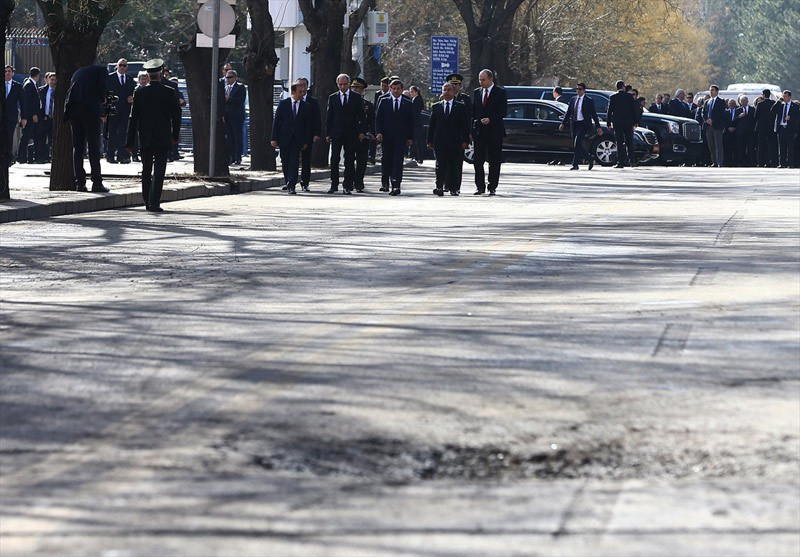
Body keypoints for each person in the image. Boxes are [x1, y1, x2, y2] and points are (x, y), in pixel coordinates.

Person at [125, 59, 181, 212]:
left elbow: (133, 118)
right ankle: (154, 201)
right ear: (161, 74)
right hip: (163, 137)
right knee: (159, 170)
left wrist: (129, 141)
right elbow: (177, 115)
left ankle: (147, 201)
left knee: (146, 169)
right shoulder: (169, 92)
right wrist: (175, 135)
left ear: (148, 76)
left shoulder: (140, 92)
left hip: (145, 137)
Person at [64, 64, 110, 192]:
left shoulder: (78, 71)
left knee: (78, 148)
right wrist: (103, 100)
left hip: (73, 108)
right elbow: (102, 89)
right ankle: (96, 182)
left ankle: (80, 183)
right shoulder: (102, 70)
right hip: (89, 109)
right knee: (94, 146)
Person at [427, 82, 470, 196]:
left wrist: (466, 141)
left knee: (453, 165)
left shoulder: (460, 106)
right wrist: (429, 140)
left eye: (448, 90)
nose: (446, 92)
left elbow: (465, 125)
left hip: (455, 142)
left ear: (453, 92)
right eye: (444, 90)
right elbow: (432, 125)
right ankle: (439, 186)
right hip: (440, 141)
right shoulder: (436, 107)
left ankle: (454, 188)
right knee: (440, 165)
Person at [325, 73, 365, 194]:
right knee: (334, 158)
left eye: (345, 84)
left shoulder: (356, 97)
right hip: (336, 133)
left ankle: (347, 184)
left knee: (349, 160)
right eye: (340, 84)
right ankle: (334, 183)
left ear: (349, 84)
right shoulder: (333, 97)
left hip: (351, 133)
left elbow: (362, 116)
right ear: (337, 84)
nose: (342, 87)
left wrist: (362, 131)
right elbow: (329, 116)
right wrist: (328, 133)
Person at [271, 82, 313, 195]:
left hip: (297, 139)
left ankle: (292, 185)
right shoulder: (284, 104)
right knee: (285, 161)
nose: (302, 94)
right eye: (300, 92)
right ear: (293, 92)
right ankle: (288, 181)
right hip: (284, 138)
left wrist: (306, 141)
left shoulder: (306, 106)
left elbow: (308, 126)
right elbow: (277, 122)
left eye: (304, 92)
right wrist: (274, 138)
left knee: (294, 161)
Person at [375, 78, 414, 196]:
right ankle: (385, 183)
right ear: (390, 89)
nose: (396, 91)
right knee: (387, 160)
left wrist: (410, 137)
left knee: (398, 161)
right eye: (393, 88)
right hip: (387, 136)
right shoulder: (383, 100)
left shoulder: (407, 103)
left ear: (402, 90)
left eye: (398, 89)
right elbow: (378, 119)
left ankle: (396, 184)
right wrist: (379, 132)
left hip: (401, 137)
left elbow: (411, 122)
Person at [471, 69, 507, 195]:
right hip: (480, 131)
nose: (481, 82)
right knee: (478, 160)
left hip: (494, 131)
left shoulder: (500, 92)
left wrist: (491, 119)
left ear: (490, 79)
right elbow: (474, 112)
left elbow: (503, 111)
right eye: (480, 80)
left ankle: (492, 186)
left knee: (494, 160)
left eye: (483, 79)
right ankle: (480, 186)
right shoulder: (477, 92)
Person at [560, 82, 602, 170]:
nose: (578, 91)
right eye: (577, 89)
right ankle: (589, 159)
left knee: (577, 142)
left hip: (583, 124)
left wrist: (598, 127)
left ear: (584, 90)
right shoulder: (573, 99)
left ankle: (575, 164)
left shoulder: (588, 100)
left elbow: (593, 114)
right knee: (576, 145)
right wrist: (563, 123)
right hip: (574, 123)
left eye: (580, 89)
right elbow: (568, 113)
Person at [105, 59, 135, 164]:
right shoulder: (110, 78)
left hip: (125, 110)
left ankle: (121, 156)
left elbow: (133, 91)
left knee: (122, 134)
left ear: (127, 67)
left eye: (124, 65)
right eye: (120, 65)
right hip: (113, 110)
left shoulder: (130, 79)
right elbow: (105, 94)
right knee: (112, 133)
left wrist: (131, 97)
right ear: (117, 66)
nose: (122, 67)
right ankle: (110, 155)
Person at [295, 77, 321, 192]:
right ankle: (291, 181)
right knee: (293, 159)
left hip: (307, 135)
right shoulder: (292, 100)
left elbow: (317, 119)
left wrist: (316, 133)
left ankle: (305, 182)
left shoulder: (312, 101)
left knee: (306, 160)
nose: (302, 87)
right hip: (294, 134)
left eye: (304, 84)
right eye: (299, 85)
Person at [349, 77, 374, 192]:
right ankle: (350, 180)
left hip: (364, 137)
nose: (355, 90)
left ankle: (359, 182)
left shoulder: (368, 105)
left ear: (363, 90)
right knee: (349, 160)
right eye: (353, 87)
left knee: (362, 161)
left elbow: (371, 122)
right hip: (350, 136)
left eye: (358, 88)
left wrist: (369, 133)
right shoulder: (347, 103)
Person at [446, 73, 471, 183]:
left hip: (459, 135)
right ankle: (445, 183)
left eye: (456, 84)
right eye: (452, 84)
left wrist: (468, 135)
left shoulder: (465, 99)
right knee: (445, 162)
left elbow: (469, 117)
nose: (454, 86)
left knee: (457, 162)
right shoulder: (443, 99)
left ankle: (456, 185)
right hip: (446, 135)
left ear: (460, 86)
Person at [606, 79, 637, 168]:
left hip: (617, 123)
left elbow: (609, 111)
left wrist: (608, 123)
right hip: (628, 122)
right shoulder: (629, 96)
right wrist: (635, 122)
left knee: (619, 142)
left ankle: (620, 162)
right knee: (629, 142)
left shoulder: (613, 97)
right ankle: (632, 161)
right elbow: (633, 110)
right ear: (623, 87)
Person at [18, 67, 42, 164]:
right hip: (30, 115)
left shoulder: (32, 84)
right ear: (37, 75)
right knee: (26, 135)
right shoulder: (29, 85)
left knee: (32, 135)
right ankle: (21, 156)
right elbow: (28, 102)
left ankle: (32, 156)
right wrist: (33, 114)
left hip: (34, 114)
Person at [222, 69, 246, 165]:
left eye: (230, 77)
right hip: (228, 116)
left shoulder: (240, 87)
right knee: (230, 137)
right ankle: (231, 156)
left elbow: (240, 100)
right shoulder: (226, 88)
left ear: (235, 78)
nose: (228, 79)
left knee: (237, 137)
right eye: (227, 77)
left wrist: (229, 99)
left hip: (237, 116)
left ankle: (238, 156)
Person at [5, 66, 26, 166]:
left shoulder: (17, 86)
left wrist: (24, 117)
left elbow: (23, 102)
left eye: (9, 71)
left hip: (11, 117)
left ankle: (8, 158)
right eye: (5, 71)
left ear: (12, 73)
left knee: (9, 137)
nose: (7, 73)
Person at [771, 90, 799, 168]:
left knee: (790, 147)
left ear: (789, 97)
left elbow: (797, 117)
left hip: (790, 129)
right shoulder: (780, 105)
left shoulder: (795, 106)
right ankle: (782, 163)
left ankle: (790, 163)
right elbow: (772, 110)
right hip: (781, 128)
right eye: (783, 96)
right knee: (782, 147)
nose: (784, 98)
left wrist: (791, 118)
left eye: (785, 96)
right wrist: (778, 101)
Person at [702, 84, 726, 167]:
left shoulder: (721, 101)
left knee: (718, 144)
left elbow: (721, 113)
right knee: (711, 144)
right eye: (710, 90)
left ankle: (720, 162)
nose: (711, 92)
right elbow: (703, 113)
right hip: (708, 126)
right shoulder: (707, 102)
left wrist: (713, 120)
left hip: (717, 126)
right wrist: (707, 120)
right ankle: (714, 161)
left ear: (717, 91)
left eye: (712, 90)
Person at [369, 77, 390, 164]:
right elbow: (375, 106)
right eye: (382, 86)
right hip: (378, 119)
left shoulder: (390, 95)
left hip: (387, 121)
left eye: (385, 86)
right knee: (374, 138)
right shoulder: (378, 94)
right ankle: (372, 156)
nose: (383, 88)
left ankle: (385, 156)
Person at [754, 89, 777, 167]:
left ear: (763, 95)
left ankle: (760, 162)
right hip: (770, 127)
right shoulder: (773, 103)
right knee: (771, 145)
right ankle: (771, 161)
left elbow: (755, 116)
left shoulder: (760, 104)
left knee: (761, 145)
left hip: (761, 127)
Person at [37, 72, 57, 163]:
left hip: (55, 119)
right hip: (45, 118)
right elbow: (39, 105)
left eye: (55, 80)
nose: (53, 82)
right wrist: (42, 116)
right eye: (51, 79)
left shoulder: (59, 92)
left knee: (53, 139)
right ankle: (41, 157)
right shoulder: (42, 90)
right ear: (48, 80)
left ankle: (52, 157)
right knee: (42, 138)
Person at [734, 96, 756, 166]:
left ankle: (752, 162)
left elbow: (755, 120)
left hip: (750, 132)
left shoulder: (753, 109)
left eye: (744, 101)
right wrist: (739, 117)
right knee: (741, 148)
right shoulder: (738, 110)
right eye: (741, 101)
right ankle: (743, 162)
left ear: (747, 101)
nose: (743, 103)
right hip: (741, 133)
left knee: (751, 148)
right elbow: (734, 121)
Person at [409, 85, 426, 163]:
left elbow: (415, 112)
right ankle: (415, 156)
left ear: (416, 92)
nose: (411, 93)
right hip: (415, 123)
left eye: (412, 91)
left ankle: (419, 157)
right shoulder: (414, 99)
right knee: (415, 141)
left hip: (417, 123)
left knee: (418, 141)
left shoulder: (417, 100)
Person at [723, 98, 739, 166]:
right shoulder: (725, 112)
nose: (731, 105)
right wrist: (728, 127)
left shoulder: (738, 111)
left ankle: (735, 162)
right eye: (730, 103)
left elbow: (739, 121)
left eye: (733, 103)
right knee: (727, 148)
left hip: (736, 133)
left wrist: (735, 128)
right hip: (727, 132)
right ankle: (727, 162)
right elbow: (723, 121)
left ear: (735, 104)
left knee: (736, 148)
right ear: (728, 105)